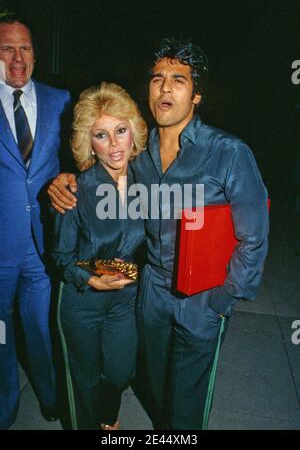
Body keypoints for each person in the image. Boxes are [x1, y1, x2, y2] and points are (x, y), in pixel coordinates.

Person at [48, 38, 269, 430]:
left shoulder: (229, 153)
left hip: (202, 300)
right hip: (149, 295)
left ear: (197, 94)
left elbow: (254, 238)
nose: (165, 87)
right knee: (153, 387)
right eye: (157, 78)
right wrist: (64, 180)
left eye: (179, 80)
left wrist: (222, 300)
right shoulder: (140, 155)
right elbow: (98, 168)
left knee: (185, 409)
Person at [51, 82, 147, 430]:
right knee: (84, 381)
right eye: (101, 135)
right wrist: (90, 278)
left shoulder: (146, 182)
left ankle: (108, 415)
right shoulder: (76, 190)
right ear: (88, 142)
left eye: (120, 131)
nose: (114, 144)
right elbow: (60, 256)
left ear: (133, 131)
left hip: (125, 299)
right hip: (82, 301)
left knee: (122, 371)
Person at [0, 13, 71, 429]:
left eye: (24, 47)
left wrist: (71, 177)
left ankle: (50, 395)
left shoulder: (60, 100)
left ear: (35, 54)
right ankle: (5, 408)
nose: (17, 58)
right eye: (6, 48)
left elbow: (81, 157)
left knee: (43, 329)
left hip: (44, 245)